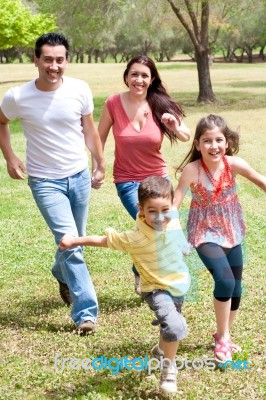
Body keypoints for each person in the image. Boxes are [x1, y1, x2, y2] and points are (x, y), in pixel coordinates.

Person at [0, 32, 105, 334]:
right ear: (36, 60)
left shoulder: (79, 89)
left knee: (76, 239)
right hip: (45, 181)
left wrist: (99, 162)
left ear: (67, 61)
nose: (54, 66)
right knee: (72, 244)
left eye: (60, 60)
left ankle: (60, 272)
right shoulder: (18, 96)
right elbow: (2, 122)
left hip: (79, 175)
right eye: (48, 59)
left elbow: (89, 129)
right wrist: (10, 157)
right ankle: (86, 313)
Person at [59, 176, 191, 394]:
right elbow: (102, 240)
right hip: (156, 289)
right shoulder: (134, 237)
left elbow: (176, 233)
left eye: (165, 209)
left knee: (169, 322)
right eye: (152, 211)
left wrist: (184, 245)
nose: (160, 217)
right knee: (175, 325)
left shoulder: (173, 219)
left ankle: (160, 349)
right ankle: (168, 370)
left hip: (178, 285)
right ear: (141, 209)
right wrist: (74, 241)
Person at [174, 114, 266, 362]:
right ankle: (224, 340)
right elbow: (175, 202)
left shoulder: (234, 164)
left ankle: (223, 334)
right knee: (225, 282)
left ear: (226, 143)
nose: (213, 146)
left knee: (236, 288)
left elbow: (261, 181)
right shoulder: (191, 171)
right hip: (204, 232)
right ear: (197, 145)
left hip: (231, 229)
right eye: (207, 141)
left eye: (218, 140)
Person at [96, 55, 190, 294]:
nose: (139, 79)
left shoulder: (159, 104)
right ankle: (150, 277)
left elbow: (186, 136)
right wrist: (98, 166)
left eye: (144, 75)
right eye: (134, 74)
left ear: (152, 79)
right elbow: (99, 138)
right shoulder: (113, 103)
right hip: (127, 181)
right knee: (151, 227)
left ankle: (147, 274)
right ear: (126, 77)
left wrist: (174, 126)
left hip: (158, 179)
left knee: (159, 227)